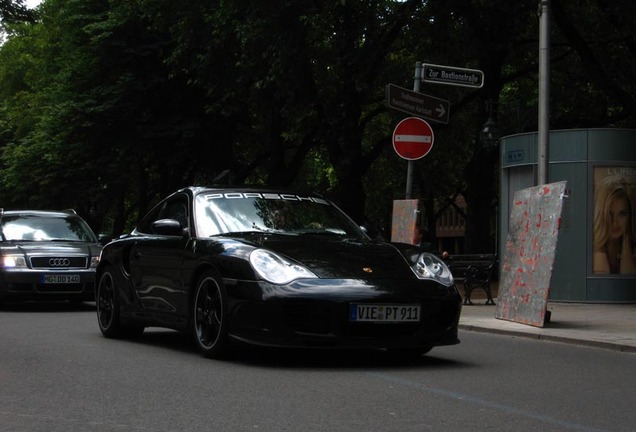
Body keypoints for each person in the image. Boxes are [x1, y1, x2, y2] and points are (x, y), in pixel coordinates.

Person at [592, 174, 636, 274]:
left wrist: (626, 241)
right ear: (601, 215)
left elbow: (627, 281)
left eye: (622, 214)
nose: (615, 222)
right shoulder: (591, 249)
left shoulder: (633, 249)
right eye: (610, 214)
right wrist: (600, 249)